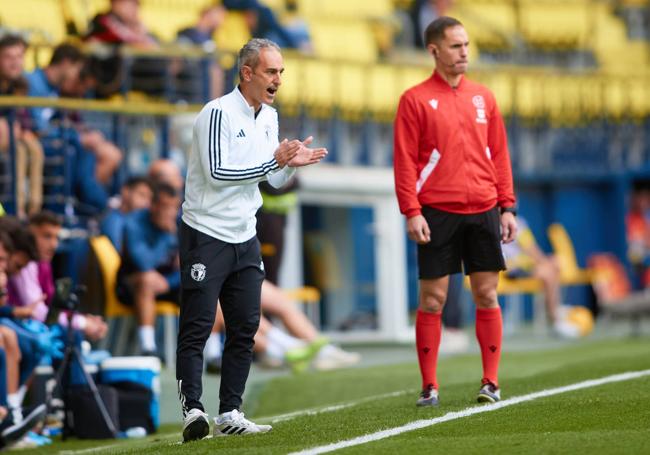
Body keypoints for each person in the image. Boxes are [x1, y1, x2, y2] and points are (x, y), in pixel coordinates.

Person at [176, 38, 327, 441]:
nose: (278, 79)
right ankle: (192, 409)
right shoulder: (216, 113)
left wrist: (290, 167)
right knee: (198, 324)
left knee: (245, 326)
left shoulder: (269, 117)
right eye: (271, 71)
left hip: (245, 233)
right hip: (205, 231)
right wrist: (272, 162)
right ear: (247, 73)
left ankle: (230, 411)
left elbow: (271, 178)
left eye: (281, 72)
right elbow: (218, 174)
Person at [393, 16, 517, 407]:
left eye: (466, 45)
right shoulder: (414, 99)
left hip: (483, 208)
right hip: (437, 211)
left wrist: (507, 207)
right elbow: (405, 162)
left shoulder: (485, 97)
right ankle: (429, 386)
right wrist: (412, 211)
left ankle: (491, 382)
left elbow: (498, 154)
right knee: (432, 300)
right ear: (434, 50)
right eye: (456, 46)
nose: (464, 52)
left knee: (486, 293)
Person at [116, 183, 181, 356]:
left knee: (206, 285)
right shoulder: (133, 223)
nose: (170, 213)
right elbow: (144, 263)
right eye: (165, 207)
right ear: (152, 205)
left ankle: (213, 354)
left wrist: (168, 282)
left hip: (169, 283)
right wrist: (166, 236)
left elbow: (192, 266)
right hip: (132, 285)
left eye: (174, 207)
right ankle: (148, 347)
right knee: (147, 280)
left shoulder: (183, 222)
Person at [500, 216, 579, 339]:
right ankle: (556, 319)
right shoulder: (515, 222)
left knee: (554, 264)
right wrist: (544, 262)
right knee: (548, 273)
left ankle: (555, 309)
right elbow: (531, 249)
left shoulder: (512, 221)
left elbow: (530, 249)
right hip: (511, 268)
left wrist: (545, 262)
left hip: (519, 265)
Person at [0, 34, 44, 218]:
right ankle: (16, 209)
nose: (15, 63)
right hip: (5, 140)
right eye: (9, 57)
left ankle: (34, 210)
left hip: (14, 139)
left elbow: (26, 120)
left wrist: (25, 131)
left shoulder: (21, 85)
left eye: (19, 57)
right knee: (19, 151)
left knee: (35, 148)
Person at [100, 176, 154, 252]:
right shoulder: (113, 223)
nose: (147, 203)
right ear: (125, 191)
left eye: (149, 199)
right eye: (142, 195)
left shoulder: (141, 224)